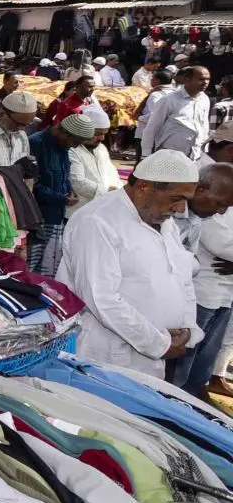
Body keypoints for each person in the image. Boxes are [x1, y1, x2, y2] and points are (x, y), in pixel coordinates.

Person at [58, 150, 205, 377]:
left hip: (156, 351)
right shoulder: (97, 221)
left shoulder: (162, 221)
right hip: (108, 355)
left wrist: (186, 328)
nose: (180, 209)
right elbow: (102, 299)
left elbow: (180, 276)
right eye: (176, 198)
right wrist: (159, 344)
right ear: (144, 186)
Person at [171, 164, 233, 397]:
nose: (221, 211)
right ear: (201, 190)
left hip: (218, 292)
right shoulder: (187, 214)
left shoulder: (199, 215)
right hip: (203, 291)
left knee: (205, 353)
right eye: (220, 204)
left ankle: (190, 396)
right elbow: (222, 245)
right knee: (183, 356)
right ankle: (176, 398)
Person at [28, 113, 95, 275]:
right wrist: (59, 197)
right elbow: (30, 184)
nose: (73, 147)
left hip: (56, 214)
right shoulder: (36, 143)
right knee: (32, 265)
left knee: (48, 266)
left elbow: (63, 174)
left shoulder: (62, 146)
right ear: (64, 133)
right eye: (74, 142)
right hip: (38, 217)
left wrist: (69, 189)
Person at [141, 65, 211, 161]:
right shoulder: (169, 100)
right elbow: (152, 127)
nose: (205, 83)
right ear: (187, 79)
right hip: (169, 154)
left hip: (194, 155)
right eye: (201, 79)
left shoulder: (204, 99)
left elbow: (204, 125)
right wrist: (145, 154)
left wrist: (204, 149)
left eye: (208, 79)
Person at [0, 92, 38, 170]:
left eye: (27, 124)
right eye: (19, 124)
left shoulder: (22, 135)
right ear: (2, 114)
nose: (22, 129)